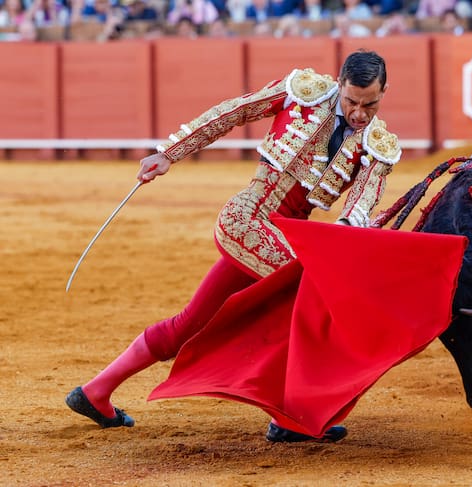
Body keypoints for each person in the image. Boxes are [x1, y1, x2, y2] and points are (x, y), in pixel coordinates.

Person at [65, 50, 401, 443]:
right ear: (339, 84)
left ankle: (95, 392)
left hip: (289, 238)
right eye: (352, 102)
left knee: (189, 324)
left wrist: (343, 237)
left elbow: (359, 207)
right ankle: (291, 416)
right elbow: (232, 112)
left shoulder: (379, 146)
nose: (360, 113)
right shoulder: (302, 92)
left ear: (384, 92)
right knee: (315, 303)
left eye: (370, 104)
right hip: (247, 219)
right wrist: (169, 153)